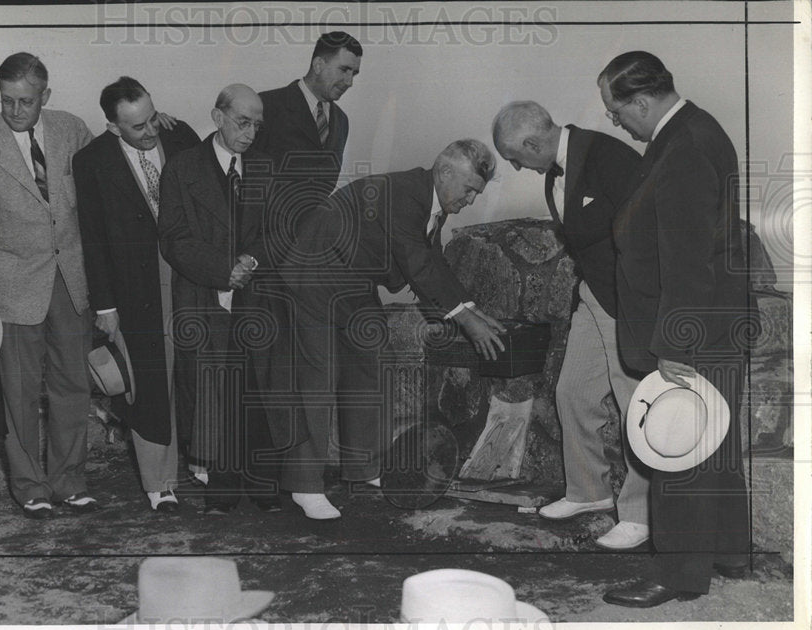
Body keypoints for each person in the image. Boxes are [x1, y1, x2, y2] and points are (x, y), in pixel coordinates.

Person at [596, 51, 750, 607]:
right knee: (717, 443)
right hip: (717, 319)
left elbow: (687, 258)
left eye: (615, 111)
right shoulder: (692, 129)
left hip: (694, 326)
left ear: (640, 101)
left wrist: (675, 343)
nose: (615, 122)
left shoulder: (682, 146)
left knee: (678, 448)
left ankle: (678, 576)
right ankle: (730, 551)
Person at [281, 140, 506, 520]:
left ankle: (364, 467)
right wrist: (467, 323)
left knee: (370, 360)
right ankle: (306, 487)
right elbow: (417, 264)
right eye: (469, 189)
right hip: (313, 274)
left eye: (477, 193)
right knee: (316, 381)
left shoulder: (432, 201)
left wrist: (473, 310)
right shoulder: (404, 195)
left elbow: (433, 261)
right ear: (445, 171)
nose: (470, 200)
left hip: (352, 279)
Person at [491, 101, 649, 550]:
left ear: (531, 143)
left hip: (625, 301)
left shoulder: (608, 156)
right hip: (592, 295)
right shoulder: (555, 171)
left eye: (516, 157)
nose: (518, 167)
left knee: (634, 404)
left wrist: (636, 306)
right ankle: (588, 493)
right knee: (573, 392)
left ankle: (639, 516)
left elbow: (644, 234)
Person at [0, 52, 97, 519]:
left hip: (70, 277)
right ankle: (29, 487)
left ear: (45, 95)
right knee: (19, 392)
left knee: (72, 386)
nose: (15, 111)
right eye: (7, 100)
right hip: (11, 282)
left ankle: (70, 481)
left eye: (26, 101)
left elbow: (103, 178)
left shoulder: (73, 129)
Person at [157, 84, 286, 515]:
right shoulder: (181, 168)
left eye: (256, 125)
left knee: (258, 389)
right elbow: (173, 239)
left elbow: (280, 232)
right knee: (215, 394)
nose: (250, 133)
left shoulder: (266, 168)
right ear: (217, 117)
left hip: (257, 297)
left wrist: (252, 258)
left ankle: (265, 486)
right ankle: (222, 491)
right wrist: (221, 269)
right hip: (204, 295)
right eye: (242, 122)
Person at [74, 77, 200, 513]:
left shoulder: (179, 134)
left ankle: (202, 458)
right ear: (113, 127)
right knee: (149, 383)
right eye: (137, 128)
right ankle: (160, 482)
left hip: (191, 276)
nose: (150, 133)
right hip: (136, 289)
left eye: (151, 120)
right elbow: (92, 237)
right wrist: (105, 306)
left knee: (197, 370)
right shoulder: (91, 162)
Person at [253, 31, 361, 264]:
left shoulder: (341, 121)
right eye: (344, 70)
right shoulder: (266, 105)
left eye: (354, 73)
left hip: (305, 250)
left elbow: (324, 184)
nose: (350, 82)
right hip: (259, 247)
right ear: (318, 64)